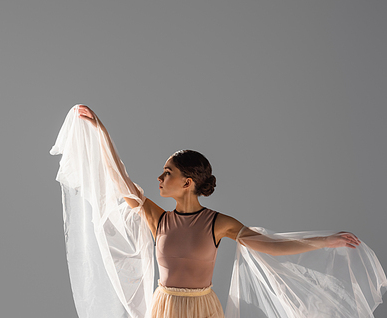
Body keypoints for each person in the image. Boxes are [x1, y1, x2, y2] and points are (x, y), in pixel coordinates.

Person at [52, 104, 386, 318]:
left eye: (167, 172)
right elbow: (118, 179)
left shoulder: (217, 223)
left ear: (187, 182)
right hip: (164, 307)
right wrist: (100, 131)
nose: (159, 177)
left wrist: (324, 240)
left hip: (203, 309)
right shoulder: (158, 218)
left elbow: (271, 246)